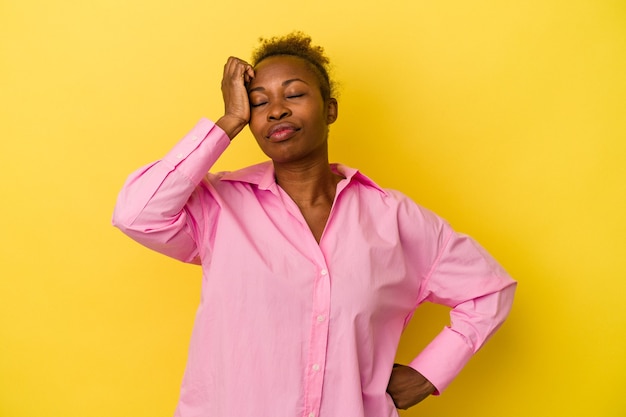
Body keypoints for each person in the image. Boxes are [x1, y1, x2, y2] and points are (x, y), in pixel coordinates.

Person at [112, 32, 516, 417]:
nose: (276, 110)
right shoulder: (218, 206)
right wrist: (227, 122)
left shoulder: (394, 219)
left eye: (294, 94)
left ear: (331, 109)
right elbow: (136, 214)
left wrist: (430, 373)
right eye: (257, 102)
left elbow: (489, 290)